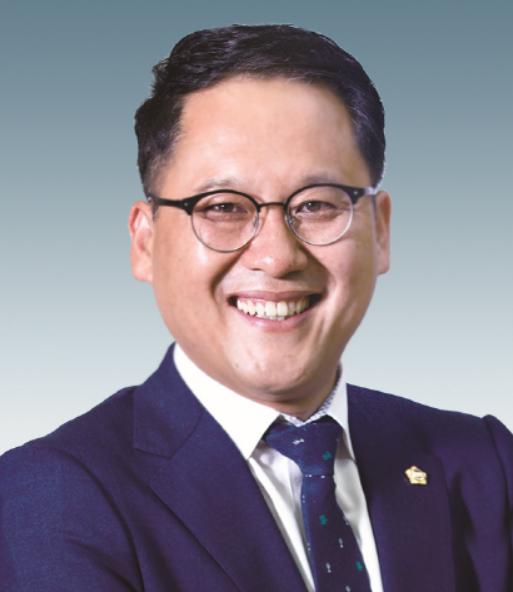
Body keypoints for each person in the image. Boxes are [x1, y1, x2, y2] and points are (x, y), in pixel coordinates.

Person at [0, 24, 511, 592]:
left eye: (316, 204)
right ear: (145, 241)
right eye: (223, 206)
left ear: (380, 230)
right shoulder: (53, 497)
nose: (277, 256)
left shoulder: (483, 462)